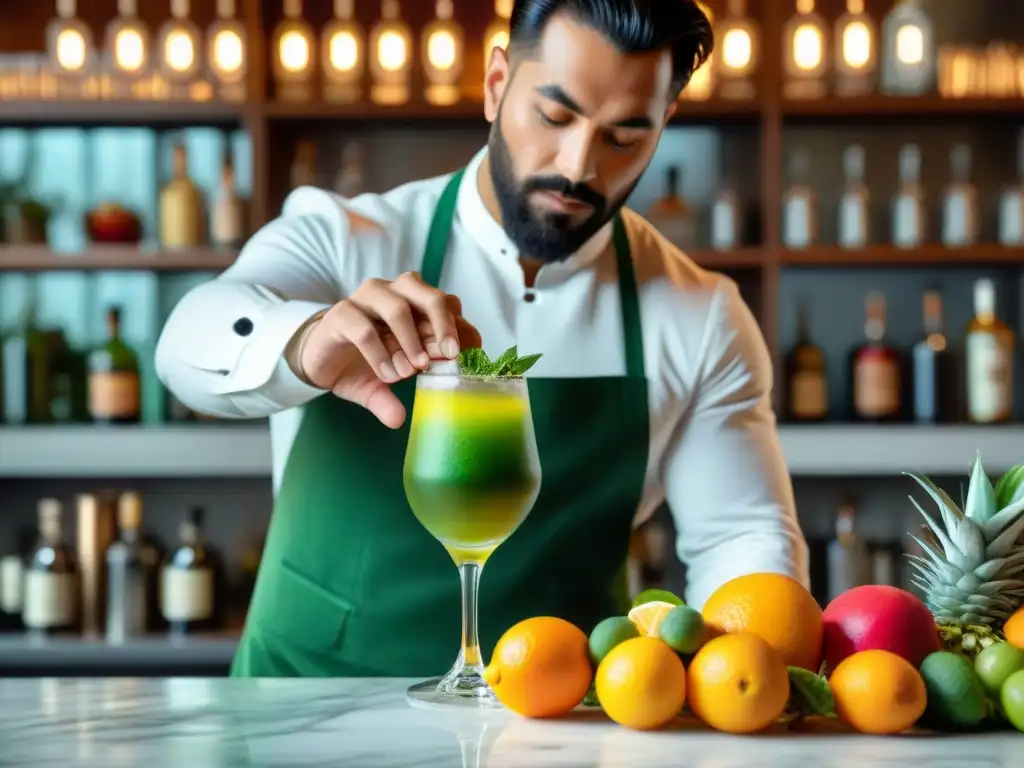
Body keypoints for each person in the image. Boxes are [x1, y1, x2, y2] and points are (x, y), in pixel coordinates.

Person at [156, 0, 809, 678]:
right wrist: (302, 341)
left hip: (556, 724)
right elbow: (186, 342)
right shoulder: (345, 238)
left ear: (663, 126)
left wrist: (746, 677)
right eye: (554, 117)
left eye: (624, 136)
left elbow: (742, 538)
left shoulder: (701, 314)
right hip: (305, 708)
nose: (578, 166)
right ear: (497, 85)